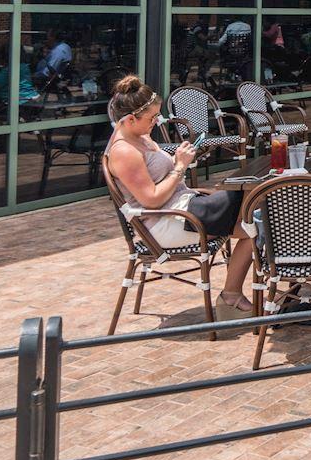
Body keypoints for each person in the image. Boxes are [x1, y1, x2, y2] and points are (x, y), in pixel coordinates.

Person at [103, 75, 257, 317]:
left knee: (252, 217)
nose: (156, 121)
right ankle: (234, 295)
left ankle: (232, 294)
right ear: (130, 119)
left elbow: (159, 178)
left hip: (182, 209)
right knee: (247, 205)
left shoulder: (140, 137)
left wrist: (177, 160)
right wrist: (180, 166)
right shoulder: (124, 152)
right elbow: (151, 199)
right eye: (152, 117)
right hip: (163, 223)